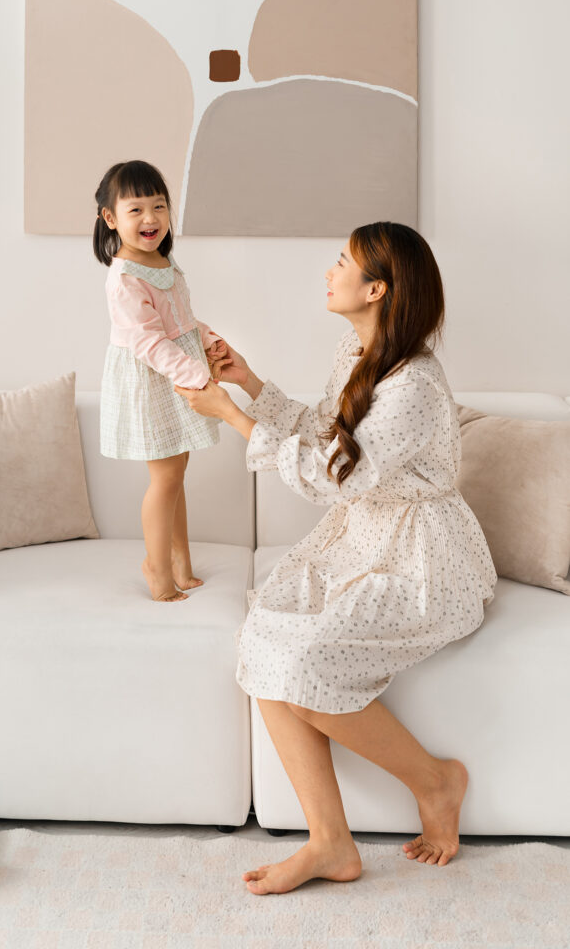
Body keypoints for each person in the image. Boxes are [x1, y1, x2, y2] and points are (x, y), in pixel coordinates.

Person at [175, 221, 497, 895]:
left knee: (309, 658)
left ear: (375, 287)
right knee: (263, 634)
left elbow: (334, 475)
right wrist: (250, 385)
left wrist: (232, 417)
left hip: (421, 560)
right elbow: (330, 427)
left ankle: (436, 780)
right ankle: (330, 843)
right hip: (361, 540)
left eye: (341, 263)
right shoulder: (357, 349)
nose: (329, 272)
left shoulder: (414, 385)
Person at [94, 160, 232, 602]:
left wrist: (208, 340)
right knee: (166, 477)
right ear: (111, 219)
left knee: (176, 473)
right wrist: (197, 377)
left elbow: (181, 322)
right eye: (136, 210)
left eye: (158, 206)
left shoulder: (162, 261)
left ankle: (180, 563)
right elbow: (149, 343)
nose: (150, 218)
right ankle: (156, 568)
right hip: (154, 379)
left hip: (175, 371)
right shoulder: (125, 277)